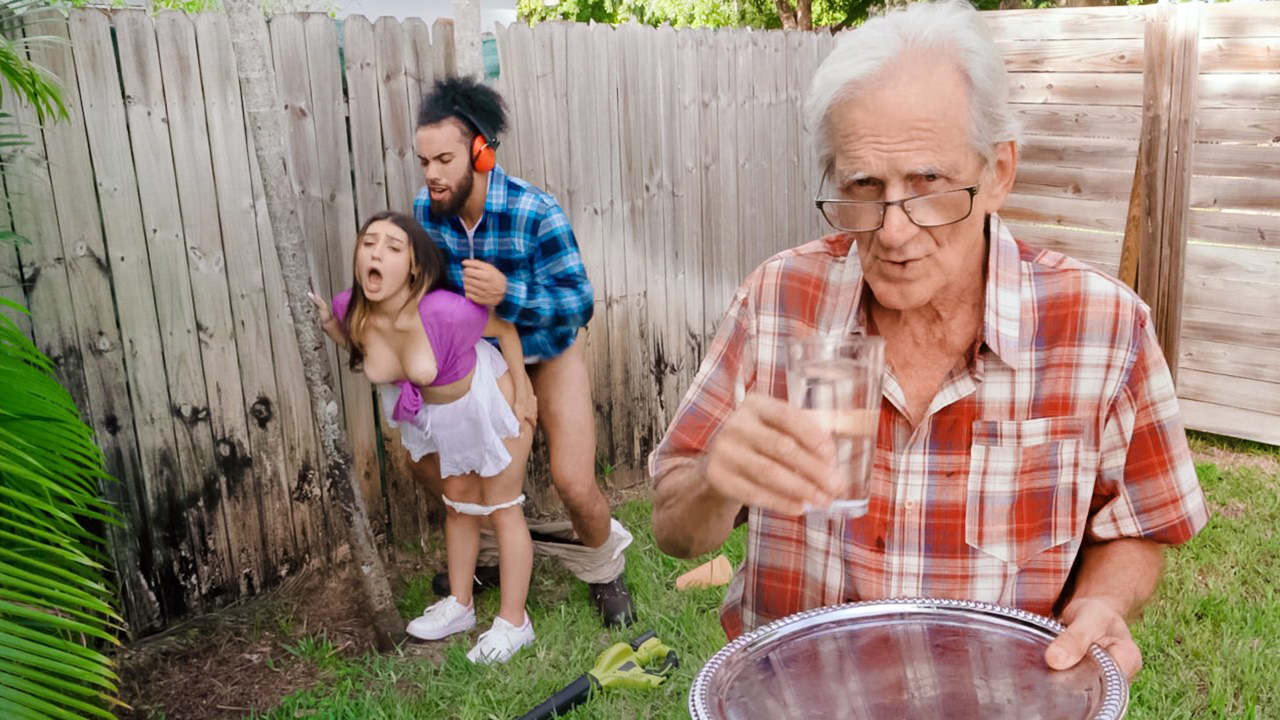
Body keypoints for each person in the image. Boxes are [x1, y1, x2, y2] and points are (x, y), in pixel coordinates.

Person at [649, 0, 1208, 680]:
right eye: (863, 186)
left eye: (929, 184)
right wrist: (714, 479)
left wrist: (1098, 601)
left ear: (998, 171)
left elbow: (1140, 524)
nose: (893, 231)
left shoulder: (1102, 328)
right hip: (799, 694)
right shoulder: (778, 302)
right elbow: (674, 529)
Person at [410, 77, 636, 628]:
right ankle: (492, 554)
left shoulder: (537, 211)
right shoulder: (427, 211)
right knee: (423, 458)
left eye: (444, 159)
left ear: (481, 152)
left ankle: (606, 570)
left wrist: (510, 295)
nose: (432, 175)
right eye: (424, 161)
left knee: (573, 481)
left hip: (549, 347)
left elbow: (579, 303)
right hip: (481, 359)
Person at [310, 211, 539, 664]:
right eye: (369, 242)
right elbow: (367, 352)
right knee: (457, 505)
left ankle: (516, 622)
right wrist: (331, 330)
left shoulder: (444, 311)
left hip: (489, 401)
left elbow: (506, 329)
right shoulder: (349, 309)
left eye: (393, 248)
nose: (376, 252)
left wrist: (525, 393)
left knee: (501, 507)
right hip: (440, 417)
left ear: (413, 268)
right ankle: (460, 605)